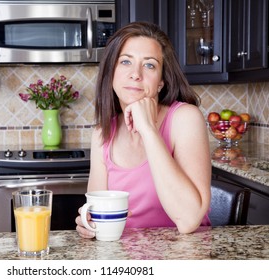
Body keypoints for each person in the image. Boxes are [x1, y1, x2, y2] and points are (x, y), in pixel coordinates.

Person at [75, 21, 211, 237]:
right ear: (111, 73)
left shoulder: (185, 118)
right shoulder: (103, 133)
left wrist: (148, 130)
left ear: (161, 82)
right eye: (126, 62)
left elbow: (188, 220)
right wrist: (88, 222)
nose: (135, 74)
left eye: (149, 65)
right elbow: (98, 211)